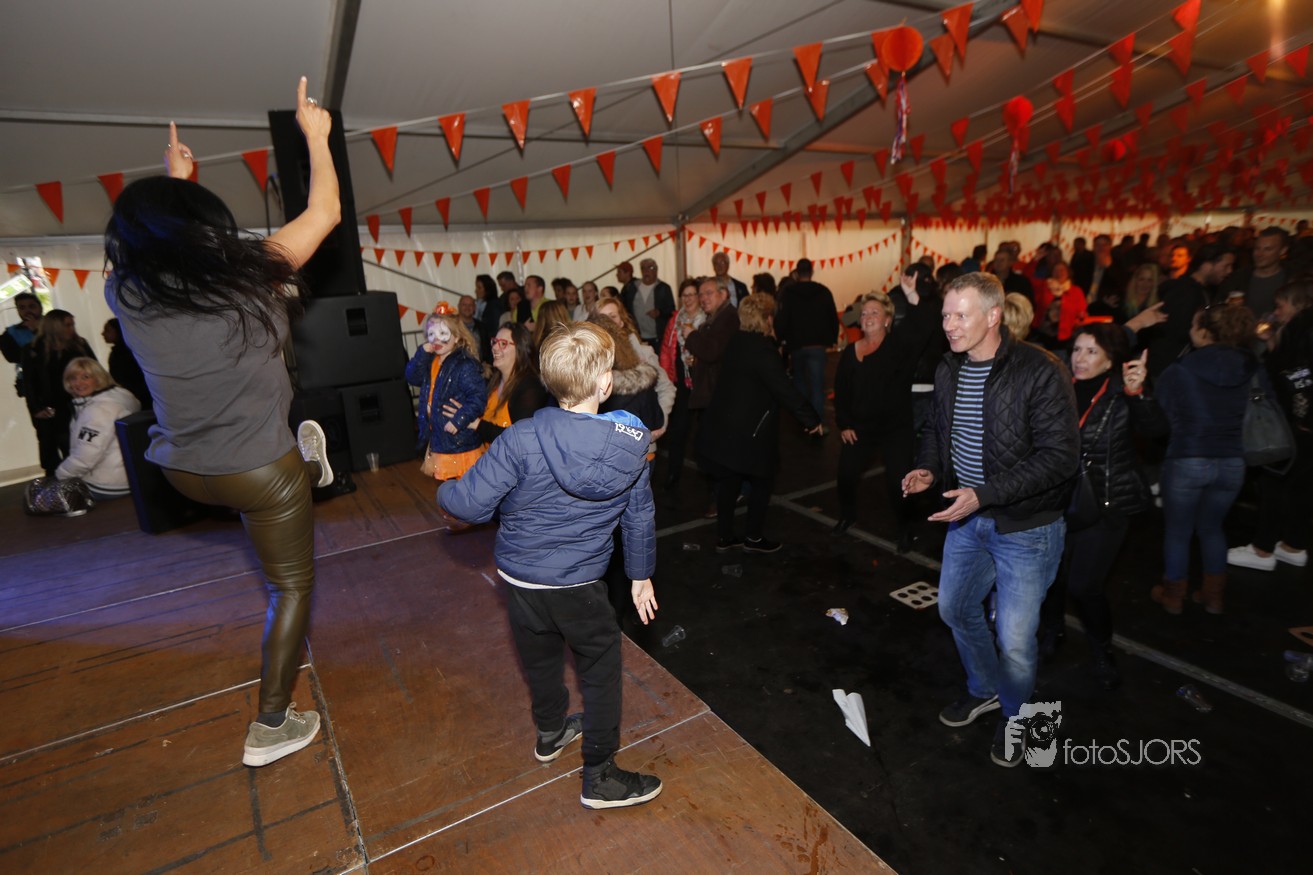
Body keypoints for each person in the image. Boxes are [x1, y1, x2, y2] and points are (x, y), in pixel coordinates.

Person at [104, 80, 339, 767]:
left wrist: (173, 183)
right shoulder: (251, 273)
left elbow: (157, 245)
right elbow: (325, 210)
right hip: (259, 470)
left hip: (181, 468)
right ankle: (271, 724)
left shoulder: (124, 289)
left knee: (272, 475)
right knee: (290, 587)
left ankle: (306, 463)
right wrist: (316, 137)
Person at [436, 322, 662, 810]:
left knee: (538, 658)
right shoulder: (632, 444)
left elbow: (468, 505)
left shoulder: (521, 437)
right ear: (605, 383)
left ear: (549, 381)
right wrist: (640, 575)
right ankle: (600, 777)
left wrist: (445, 489)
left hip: (520, 582)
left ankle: (551, 731)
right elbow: (639, 514)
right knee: (600, 671)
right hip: (580, 586)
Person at [902, 272, 1079, 768]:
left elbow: (1060, 457)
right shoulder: (948, 368)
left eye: (961, 315)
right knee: (956, 609)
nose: (949, 325)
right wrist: (928, 468)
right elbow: (937, 429)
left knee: (1016, 642)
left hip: (1028, 527)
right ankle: (985, 689)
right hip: (967, 519)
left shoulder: (1040, 370)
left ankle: (1018, 719)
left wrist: (984, 494)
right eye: (945, 315)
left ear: (994, 316)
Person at [1037, 326, 1163, 690]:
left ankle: (1101, 650)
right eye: (1077, 349)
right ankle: (1053, 632)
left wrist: (1138, 393)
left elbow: (1157, 429)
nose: (1080, 358)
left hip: (1106, 503)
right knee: (1052, 578)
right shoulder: (1059, 387)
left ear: (1111, 360)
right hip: (1059, 500)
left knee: (1084, 585)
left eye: (1091, 352)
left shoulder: (1122, 393)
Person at [1150, 303, 1260, 615]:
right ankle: (1213, 597)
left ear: (1204, 332)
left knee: (1178, 531)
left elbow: (1160, 417)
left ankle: (1173, 596)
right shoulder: (1252, 366)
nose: (1190, 330)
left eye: (1194, 324)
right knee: (1212, 528)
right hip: (1233, 462)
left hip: (1188, 457)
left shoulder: (1181, 369)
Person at [699, 294, 822, 553]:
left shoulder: (736, 341)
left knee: (729, 482)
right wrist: (811, 420)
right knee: (763, 481)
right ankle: (753, 537)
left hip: (726, 425)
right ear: (767, 319)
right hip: (751, 430)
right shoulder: (763, 350)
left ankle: (725, 536)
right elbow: (784, 389)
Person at [832, 281, 938, 549]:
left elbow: (926, 321)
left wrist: (911, 293)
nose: (868, 317)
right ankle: (847, 516)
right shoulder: (850, 351)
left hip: (895, 429)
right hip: (860, 428)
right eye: (864, 313)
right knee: (845, 474)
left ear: (887, 320)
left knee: (898, 482)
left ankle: (905, 528)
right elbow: (841, 390)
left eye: (874, 312)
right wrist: (844, 423)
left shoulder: (899, 346)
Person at [1228, 281, 1313, 572]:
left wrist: (1302, 419)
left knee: (1274, 479)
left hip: (1297, 421)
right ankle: (1293, 545)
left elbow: (1291, 374)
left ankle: (1262, 549)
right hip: (1306, 424)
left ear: (1297, 303)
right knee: (1302, 486)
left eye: (1280, 306)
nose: (1276, 312)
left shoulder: (1299, 327)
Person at [407, 307, 488, 481]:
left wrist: (459, 419)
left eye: (443, 333)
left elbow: (478, 397)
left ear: (456, 337)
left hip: (459, 442)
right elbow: (412, 377)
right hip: (439, 439)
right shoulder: (430, 361)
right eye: (431, 334)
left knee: (464, 486)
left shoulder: (464, 365)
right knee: (446, 486)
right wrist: (422, 353)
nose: (437, 339)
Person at [445, 323, 551, 446]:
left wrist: (477, 424)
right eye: (495, 342)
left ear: (520, 349)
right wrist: (467, 412)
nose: (495, 347)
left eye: (503, 344)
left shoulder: (531, 387)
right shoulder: (493, 382)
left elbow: (521, 439)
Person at [55, 357, 141, 499]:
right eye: (73, 378)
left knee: (47, 501)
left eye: (85, 377)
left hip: (105, 484)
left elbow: (85, 456)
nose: (78, 383)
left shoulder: (99, 410)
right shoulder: (117, 398)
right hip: (126, 477)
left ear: (99, 378)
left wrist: (61, 476)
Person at [22, 310, 96, 476]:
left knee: (77, 447)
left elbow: (95, 370)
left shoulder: (79, 345)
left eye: (72, 324)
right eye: (67, 325)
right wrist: (36, 408)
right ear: (55, 327)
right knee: (51, 450)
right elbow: (30, 383)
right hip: (50, 407)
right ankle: (56, 485)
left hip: (78, 404)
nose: (72, 329)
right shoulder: (33, 350)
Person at [1148, 243, 1236, 380]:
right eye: (1226, 266)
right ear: (1207, 264)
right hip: (1170, 371)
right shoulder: (1185, 292)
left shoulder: (1203, 290)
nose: (1229, 271)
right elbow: (1175, 331)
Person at [594, 297, 674, 435]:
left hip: (643, 436)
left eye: (612, 316)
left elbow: (666, 387)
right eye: (603, 318)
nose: (608, 323)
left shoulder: (643, 353)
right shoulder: (588, 358)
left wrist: (660, 424)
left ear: (621, 322)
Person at [775, 258, 838, 423]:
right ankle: (817, 423)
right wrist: (833, 338)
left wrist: (780, 340)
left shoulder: (789, 293)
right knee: (817, 386)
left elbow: (782, 319)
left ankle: (804, 421)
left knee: (800, 383)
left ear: (796, 273)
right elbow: (832, 316)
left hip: (796, 345)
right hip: (817, 345)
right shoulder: (824, 291)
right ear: (812, 272)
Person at [657, 278, 704, 488]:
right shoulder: (675, 320)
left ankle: (709, 475)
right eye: (685, 295)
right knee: (678, 429)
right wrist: (667, 378)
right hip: (680, 382)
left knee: (704, 429)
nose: (688, 299)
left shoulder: (707, 319)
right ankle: (673, 472)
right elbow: (666, 351)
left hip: (702, 381)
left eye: (692, 294)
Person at [620, 258, 674, 351]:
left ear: (656, 270)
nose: (646, 271)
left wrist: (659, 312)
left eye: (650, 268)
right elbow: (625, 308)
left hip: (658, 338)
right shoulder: (632, 287)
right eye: (643, 268)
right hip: (638, 337)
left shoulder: (663, 288)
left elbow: (671, 310)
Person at [101, 318, 152, 409]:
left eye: (107, 330)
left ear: (119, 331)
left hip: (139, 396)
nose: (103, 333)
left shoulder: (129, 353)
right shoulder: (117, 352)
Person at [1031, 262, 1087, 342]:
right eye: (1056, 270)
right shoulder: (1044, 286)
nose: (1059, 273)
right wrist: (1035, 260)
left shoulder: (1076, 291)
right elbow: (1029, 277)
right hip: (1041, 333)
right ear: (1051, 273)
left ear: (1068, 273)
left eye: (1062, 270)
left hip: (1065, 336)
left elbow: (1082, 312)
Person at [1, 290, 43, 395]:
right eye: (22, 308)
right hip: (33, 383)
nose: (27, 311)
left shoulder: (55, 325)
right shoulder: (10, 333)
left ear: (40, 307)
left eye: (31, 306)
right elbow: (12, 357)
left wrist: (36, 330)